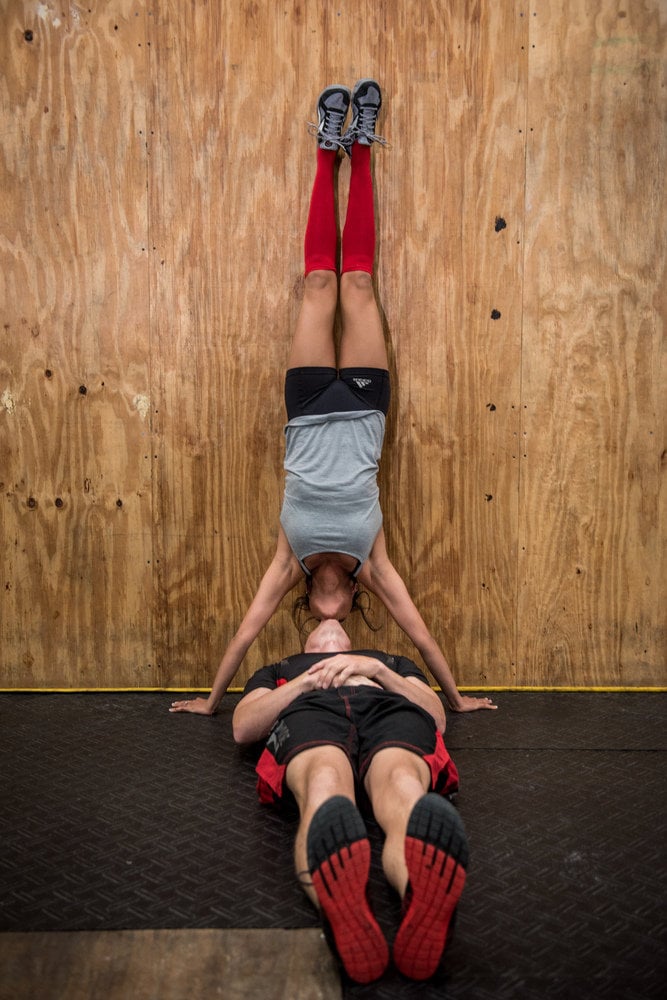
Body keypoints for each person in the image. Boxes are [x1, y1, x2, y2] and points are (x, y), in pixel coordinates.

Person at [170, 79, 495, 717]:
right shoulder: (371, 562)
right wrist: (456, 702)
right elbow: (419, 631)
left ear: (309, 614)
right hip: (367, 409)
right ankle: (362, 147)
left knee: (319, 282)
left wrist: (211, 704)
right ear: (350, 607)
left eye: (320, 624)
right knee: (359, 286)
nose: (331, 613)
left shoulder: (289, 558)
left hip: (309, 405)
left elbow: (245, 630)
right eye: (341, 616)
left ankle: (329, 148)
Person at [232, 617, 469, 984]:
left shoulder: (390, 662)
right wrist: (304, 682)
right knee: (324, 786)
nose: (329, 620)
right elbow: (244, 726)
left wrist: (376, 670)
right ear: (307, 648)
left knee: (403, 784)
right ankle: (344, 910)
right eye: (317, 622)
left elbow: (436, 717)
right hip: (312, 709)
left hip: (387, 707)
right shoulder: (280, 669)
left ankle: (420, 894)